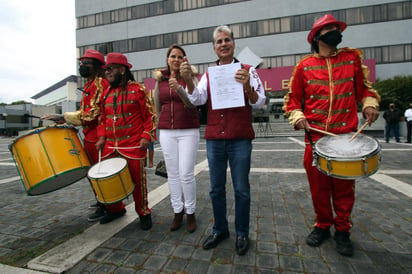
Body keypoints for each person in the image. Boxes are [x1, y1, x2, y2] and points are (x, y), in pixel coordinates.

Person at [283, 14, 380, 256]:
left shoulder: (351, 59)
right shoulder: (304, 66)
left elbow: (364, 90)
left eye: (336, 28)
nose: (335, 32)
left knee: (344, 188)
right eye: (329, 29)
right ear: (317, 37)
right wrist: (298, 117)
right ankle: (323, 224)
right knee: (318, 189)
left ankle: (343, 229)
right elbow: (293, 100)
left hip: (345, 136)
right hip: (315, 138)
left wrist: (369, 105)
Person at [180, 25, 266, 255]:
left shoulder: (248, 70)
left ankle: (242, 232)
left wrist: (247, 85)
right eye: (219, 41)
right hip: (215, 139)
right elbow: (198, 99)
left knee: (241, 190)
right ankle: (220, 230)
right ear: (214, 48)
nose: (224, 44)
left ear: (233, 43)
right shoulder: (209, 74)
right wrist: (189, 80)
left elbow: (259, 102)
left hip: (239, 139)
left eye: (227, 40)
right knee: (216, 189)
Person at [41, 49, 110, 222]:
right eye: (81, 63)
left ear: (97, 67)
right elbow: (83, 112)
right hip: (89, 136)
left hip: (100, 137)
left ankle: (113, 206)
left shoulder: (100, 84)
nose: (82, 67)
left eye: (86, 64)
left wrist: (64, 116)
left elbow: (92, 114)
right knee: (93, 173)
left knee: (101, 173)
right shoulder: (89, 85)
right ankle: (102, 201)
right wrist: (65, 120)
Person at [95, 52, 156, 229]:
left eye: (110, 69)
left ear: (122, 70)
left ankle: (143, 212)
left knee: (138, 182)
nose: (107, 72)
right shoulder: (105, 93)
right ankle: (115, 210)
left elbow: (150, 116)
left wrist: (146, 135)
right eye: (106, 69)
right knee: (109, 180)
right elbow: (102, 119)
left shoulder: (138, 89)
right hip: (111, 146)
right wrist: (101, 137)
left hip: (133, 145)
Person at [153, 44, 200, 233]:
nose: (176, 59)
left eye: (180, 57)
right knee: (172, 174)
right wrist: (160, 125)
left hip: (188, 129)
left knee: (186, 173)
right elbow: (157, 105)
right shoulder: (160, 80)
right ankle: (177, 211)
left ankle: (190, 212)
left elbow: (193, 103)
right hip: (166, 132)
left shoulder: (191, 77)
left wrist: (179, 88)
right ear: (167, 59)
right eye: (173, 56)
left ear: (185, 60)